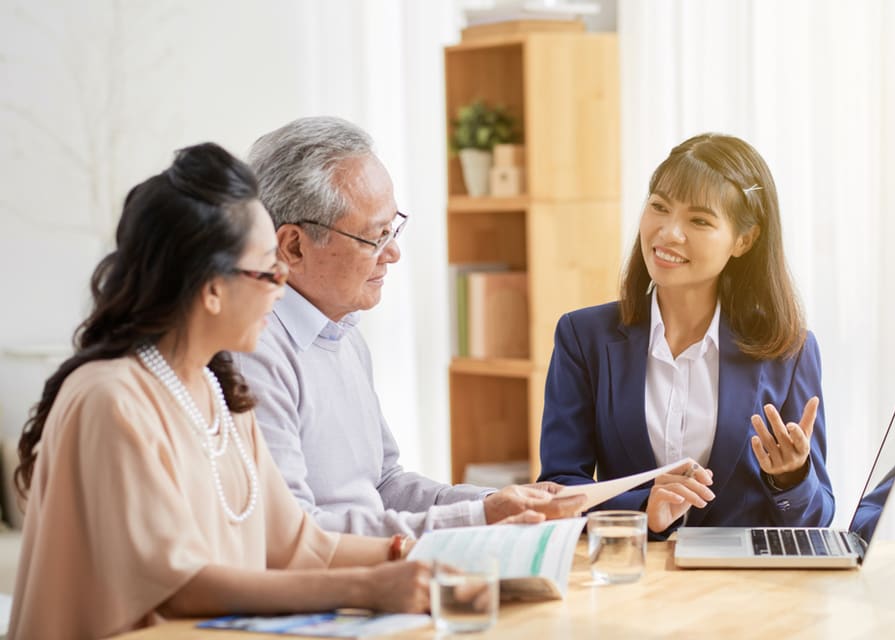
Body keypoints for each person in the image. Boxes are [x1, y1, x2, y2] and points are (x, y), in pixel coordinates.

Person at [9, 143, 439, 639]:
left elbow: (297, 545)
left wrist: (414, 555)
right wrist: (364, 588)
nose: (281, 290)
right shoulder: (110, 399)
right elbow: (177, 587)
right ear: (211, 287)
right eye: (268, 271)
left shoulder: (219, 393)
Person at [236, 116, 584, 538]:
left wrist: (490, 503)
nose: (394, 252)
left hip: (374, 573)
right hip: (330, 589)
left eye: (393, 227)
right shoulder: (252, 350)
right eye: (375, 237)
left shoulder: (342, 332)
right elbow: (295, 532)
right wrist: (476, 520)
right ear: (293, 246)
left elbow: (384, 485)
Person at [538, 133, 835, 538]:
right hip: (632, 580)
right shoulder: (583, 338)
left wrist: (791, 477)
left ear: (743, 240)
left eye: (699, 220)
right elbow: (557, 489)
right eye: (659, 207)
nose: (669, 233)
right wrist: (643, 506)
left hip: (744, 591)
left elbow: (815, 521)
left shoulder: (788, 351)